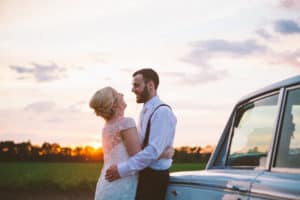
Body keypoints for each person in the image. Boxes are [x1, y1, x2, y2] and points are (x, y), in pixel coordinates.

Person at [89, 86, 173, 200]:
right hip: (121, 183)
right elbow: (138, 155)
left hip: (106, 183)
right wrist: (164, 153)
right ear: (114, 104)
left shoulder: (107, 127)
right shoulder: (126, 123)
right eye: (118, 93)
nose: (122, 94)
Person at [105, 68, 177, 200]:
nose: (132, 90)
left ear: (150, 85)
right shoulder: (145, 111)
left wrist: (122, 170)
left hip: (154, 178)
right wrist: (163, 153)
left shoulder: (162, 112)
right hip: (142, 174)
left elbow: (152, 151)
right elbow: (141, 147)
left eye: (136, 85)